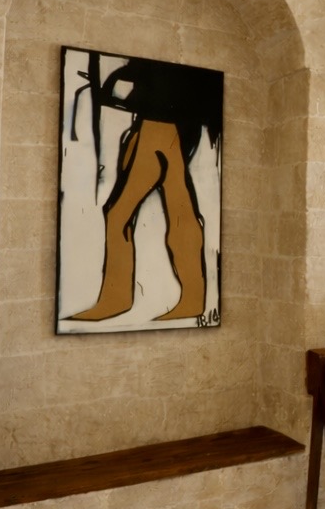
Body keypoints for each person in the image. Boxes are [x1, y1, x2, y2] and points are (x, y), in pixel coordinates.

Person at [65, 53, 223, 324]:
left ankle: (118, 298)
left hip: (161, 116)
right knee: (175, 205)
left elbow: (156, 77)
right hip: (168, 115)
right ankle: (189, 298)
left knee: (123, 212)